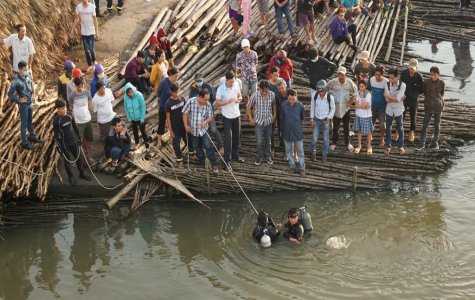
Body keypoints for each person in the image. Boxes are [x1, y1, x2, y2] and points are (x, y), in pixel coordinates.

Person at [52, 99, 92, 186]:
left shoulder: (70, 115)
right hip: (64, 144)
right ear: (58, 109)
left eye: (65, 107)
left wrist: (79, 137)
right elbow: (56, 134)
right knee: (67, 161)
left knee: (78, 158)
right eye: (62, 108)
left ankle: (81, 173)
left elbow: (75, 126)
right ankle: (70, 176)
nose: (64, 110)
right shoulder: (57, 120)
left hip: (73, 141)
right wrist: (58, 145)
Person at [7, 61, 42, 151]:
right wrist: (19, 100)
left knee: (30, 121)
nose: (28, 68)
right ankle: (25, 143)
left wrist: (33, 96)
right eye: (26, 67)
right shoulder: (16, 81)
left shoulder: (28, 75)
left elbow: (31, 86)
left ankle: (32, 137)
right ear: (22, 68)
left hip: (30, 103)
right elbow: (10, 94)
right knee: (24, 124)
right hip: (23, 105)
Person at [182, 89, 219, 173]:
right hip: (193, 130)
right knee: (197, 148)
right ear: (199, 97)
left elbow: (210, 116)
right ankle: (203, 163)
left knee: (208, 146)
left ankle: (214, 165)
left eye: (208, 99)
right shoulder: (190, 102)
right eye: (205, 99)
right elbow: (184, 113)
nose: (207, 101)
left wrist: (205, 122)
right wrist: (186, 126)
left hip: (203, 130)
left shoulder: (208, 104)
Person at [215, 71, 244, 171]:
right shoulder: (220, 89)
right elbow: (217, 103)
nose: (232, 83)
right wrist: (226, 102)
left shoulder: (236, 84)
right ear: (226, 80)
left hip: (236, 115)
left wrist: (238, 99)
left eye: (233, 81)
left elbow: (240, 95)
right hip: (226, 117)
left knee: (237, 137)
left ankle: (236, 155)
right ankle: (226, 161)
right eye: (230, 82)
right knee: (228, 139)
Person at [189, 73, 224, 155]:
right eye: (197, 81)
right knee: (203, 132)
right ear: (194, 81)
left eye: (200, 81)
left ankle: (221, 147)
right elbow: (192, 100)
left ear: (203, 79)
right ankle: (204, 150)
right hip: (198, 115)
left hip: (208, 112)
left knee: (213, 129)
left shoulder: (208, 86)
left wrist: (208, 104)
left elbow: (214, 97)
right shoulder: (192, 89)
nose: (199, 82)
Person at [246, 80, 277, 166]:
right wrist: (251, 118)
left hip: (268, 121)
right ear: (260, 89)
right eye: (262, 91)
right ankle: (260, 156)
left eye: (266, 91)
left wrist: (274, 115)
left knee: (268, 140)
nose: (264, 93)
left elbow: (274, 104)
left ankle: (268, 156)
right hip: (258, 122)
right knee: (259, 141)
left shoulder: (272, 94)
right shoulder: (255, 95)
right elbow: (248, 106)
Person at [327, 66, 357, 152]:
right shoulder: (333, 82)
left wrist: (351, 101)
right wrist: (329, 100)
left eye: (342, 75)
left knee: (346, 127)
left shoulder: (349, 82)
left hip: (345, 108)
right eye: (339, 74)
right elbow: (325, 88)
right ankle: (334, 142)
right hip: (336, 108)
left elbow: (355, 91)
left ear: (345, 75)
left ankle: (347, 143)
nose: (340, 76)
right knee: (335, 127)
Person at [416, 66, 445, 151]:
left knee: (437, 126)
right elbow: (424, 92)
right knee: (424, 126)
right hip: (428, 106)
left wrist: (440, 102)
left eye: (434, 74)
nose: (432, 76)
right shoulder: (426, 83)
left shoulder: (442, 83)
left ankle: (435, 142)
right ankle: (422, 144)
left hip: (438, 107)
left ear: (438, 75)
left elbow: (442, 94)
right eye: (431, 74)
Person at [165, 83, 194, 168]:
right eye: (175, 92)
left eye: (178, 91)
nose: (177, 94)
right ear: (171, 92)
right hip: (175, 128)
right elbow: (168, 119)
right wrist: (170, 131)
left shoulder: (182, 99)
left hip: (184, 126)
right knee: (176, 145)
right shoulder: (168, 103)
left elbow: (186, 113)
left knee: (189, 140)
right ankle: (180, 160)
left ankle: (192, 154)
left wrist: (188, 124)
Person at [280, 89, 306, 176]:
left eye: (293, 99)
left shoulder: (300, 106)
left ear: (296, 97)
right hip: (286, 132)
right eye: (290, 99)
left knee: (300, 151)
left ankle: (302, 168)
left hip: (297, 132)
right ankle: (292, 165)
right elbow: (282, 118)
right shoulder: (283, 105)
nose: (291, 101)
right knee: (288, 150)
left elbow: (302, 119)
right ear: (287, 97)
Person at [68, 77, 94, 161]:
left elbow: (90, 103)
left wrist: (88, 111)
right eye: (79, 86)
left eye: (82, 86)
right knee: (78, 140)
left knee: (88, 138)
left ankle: (88, 156)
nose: (81, 88)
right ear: (75, 86)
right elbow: (71, 105)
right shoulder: (72, 95)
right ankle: (78, 158)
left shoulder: (87, 93)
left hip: (87, 119)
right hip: (78, 121)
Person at [70, 0, 99, 73]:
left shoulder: (92, 7)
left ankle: (94, 61)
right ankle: (89, 64)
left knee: (92, 49)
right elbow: (76, 19)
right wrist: (72, 30)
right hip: (83, 32)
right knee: (86, 50)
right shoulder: (79, 7)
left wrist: (97, 32)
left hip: (91, 31)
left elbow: (95, 19)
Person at [123, 82, 151, 159]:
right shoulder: (125, 97)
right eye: (128, 92)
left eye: (131, 92)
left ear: (133, 90)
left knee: (143, 133)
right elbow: (126, 108)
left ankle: (147, 147)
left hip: (140, 118)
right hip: (132, 118)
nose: (130, 94)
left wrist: (142, 118)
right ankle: (137, 143)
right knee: (135, 131)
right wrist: (129, 118)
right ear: (126, 92)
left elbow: (143, 107)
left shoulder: (139, 95)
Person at [310, 80, 335, 162]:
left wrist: (329, 117)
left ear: (325, 90)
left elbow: (333, 109)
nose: (320, 93)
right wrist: (311, 118)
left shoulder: (330, 97)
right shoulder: (314, 95)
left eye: (322, 91)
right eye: (319, 91)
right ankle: (313, 154)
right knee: (314, 138)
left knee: (325, 139)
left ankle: (324, 155)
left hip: (325, 120)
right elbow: (312, 107)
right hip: (316, 119)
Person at [383, 67, 406, 155]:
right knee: (388, 127)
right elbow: (387, 100)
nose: (390, 79)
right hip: (389, 109)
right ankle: (388, 146)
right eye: (389, 77)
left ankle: (401, 146)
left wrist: (388, 96)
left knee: (400, 128)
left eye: (392, 78)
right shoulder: (387, 85)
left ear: (397, 77)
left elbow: (396, 99)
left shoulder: (403, 85)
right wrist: (397, 98)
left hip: (399, 110)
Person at [400, 58, 423, 143]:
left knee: (413, 117)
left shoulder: (419, 77)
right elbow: (400, 85)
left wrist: (416, 93)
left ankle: (411, 132)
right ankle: (398, 130)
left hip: (413, 99)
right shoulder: (403, 74)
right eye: (410, 68)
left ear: (417, 68)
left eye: (413, 69)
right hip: (404, 97)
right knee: (401, 115)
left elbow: (421, 90)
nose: (411, 70)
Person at [157, 67, 180, 147]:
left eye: (178, 76)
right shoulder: (164, 82)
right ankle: (159, 141)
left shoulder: (175, 84)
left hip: (172, 107)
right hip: (163, 106)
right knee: (161, 123)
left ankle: (171, 137)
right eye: (175, 76)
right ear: (170, 75)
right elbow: (158, 93)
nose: (177, 78)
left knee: (172, 122)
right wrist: (161, 101)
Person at [370, 65, 389, 147]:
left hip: (382, 107)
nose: (377, 76)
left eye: (379, 75)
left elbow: (388, 94)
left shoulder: (386, 82)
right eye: (376, 74)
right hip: (373, 106)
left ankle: (382, 138)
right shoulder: (371, 79)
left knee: (382, 124)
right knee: (370, 123)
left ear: (382, 74)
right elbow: (370, 91)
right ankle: (370, 137)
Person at [236, 39, 258, 108]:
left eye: (246, 47)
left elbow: (256, 63)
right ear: (242, 48)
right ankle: (247, 109)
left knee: (254, 94)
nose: (245, 49)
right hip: (244, 78)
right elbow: (238, 66)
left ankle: (254, 109)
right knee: (245, 94)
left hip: (253, 77)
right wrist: (238, 74)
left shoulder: (254, 53)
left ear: (249, 46)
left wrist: (252, 69)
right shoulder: (239, 55)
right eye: (244, 47)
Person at [353, 81, 373, 155]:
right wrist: (361, 105)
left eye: (362, 86)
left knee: (368, 131)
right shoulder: (358, 93)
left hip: (366, 115)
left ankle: (369, 146)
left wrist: (360, 105)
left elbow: (366, 106)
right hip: (358, 114)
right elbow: (356, 104)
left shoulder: (368, 94)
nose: (361, 88)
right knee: (359, 130)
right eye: (360, 86)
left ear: (365, 86)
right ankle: (359, 145)